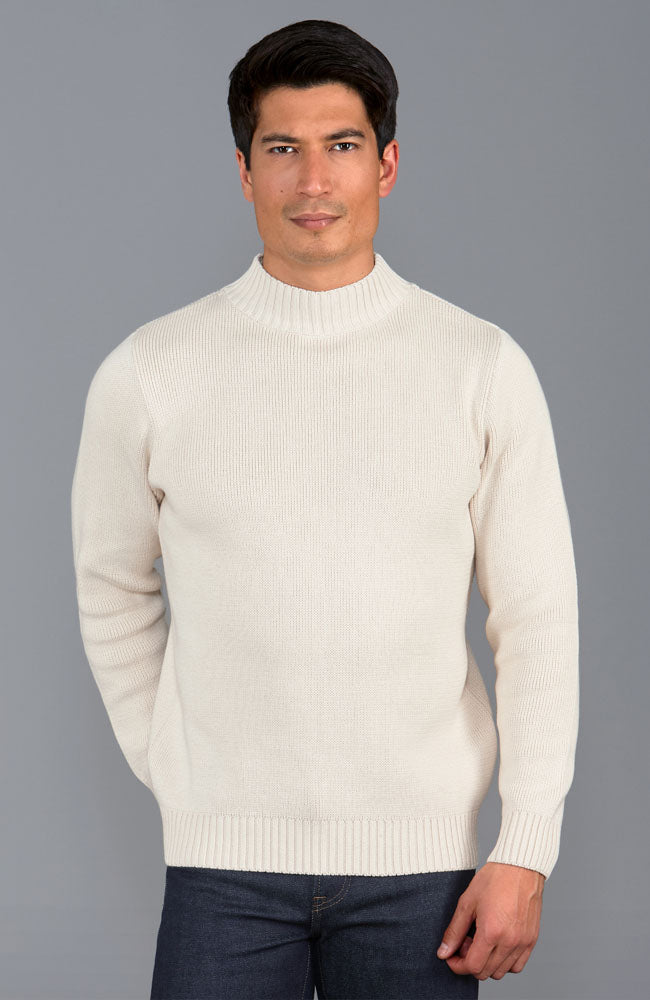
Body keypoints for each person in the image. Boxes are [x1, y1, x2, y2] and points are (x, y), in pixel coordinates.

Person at [70, 18, 579, 1000]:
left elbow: (536, 619)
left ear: (386, 164)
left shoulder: (479, 366)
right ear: (242, 170)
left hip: (422, 875)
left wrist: (525, 844)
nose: (312, 180)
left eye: (341, 146)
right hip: (220, 872)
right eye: (282, 150)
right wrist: (174, 762)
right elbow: (109, 582)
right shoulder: (150, 372)